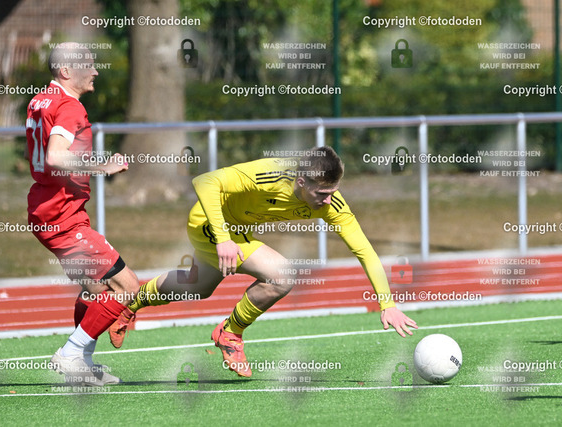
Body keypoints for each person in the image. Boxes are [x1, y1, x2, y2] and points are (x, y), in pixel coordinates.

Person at [109, 146, 418, 377]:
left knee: (197, 286)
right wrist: (223, 239)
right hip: (208, 223)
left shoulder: (330, 204)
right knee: (282, 276)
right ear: (301, 181)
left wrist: (387, 303)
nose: (328, 200)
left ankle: (130, 302)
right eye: (322, 193)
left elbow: (365, 251)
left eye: (333, 192)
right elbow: (205, 181)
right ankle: (230, 333)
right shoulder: (269, 173)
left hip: (237, 233)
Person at [25, 42, 139, 386]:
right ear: (65, 71)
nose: (95, 70)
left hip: (49, 209)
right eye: (88, 64)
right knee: (127, 286)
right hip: (61, 215)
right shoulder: (69, 106)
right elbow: (56, 155)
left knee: (96, 288)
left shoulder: (40, 99)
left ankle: (83, 363)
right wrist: (102, 166)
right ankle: (70, 354)